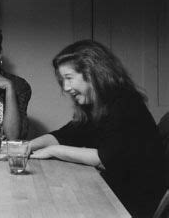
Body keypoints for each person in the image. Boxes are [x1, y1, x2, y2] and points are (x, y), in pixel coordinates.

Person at [29, 39, 166, 218]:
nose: (66, 87)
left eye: (69, 78)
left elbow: (105, 158)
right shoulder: (97, 104)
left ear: (91, 73)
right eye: (62, 81)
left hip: (136, 201)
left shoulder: (125, 103)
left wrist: (53, 150)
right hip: (116, 189)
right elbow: (64, 135)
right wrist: (27, 146)